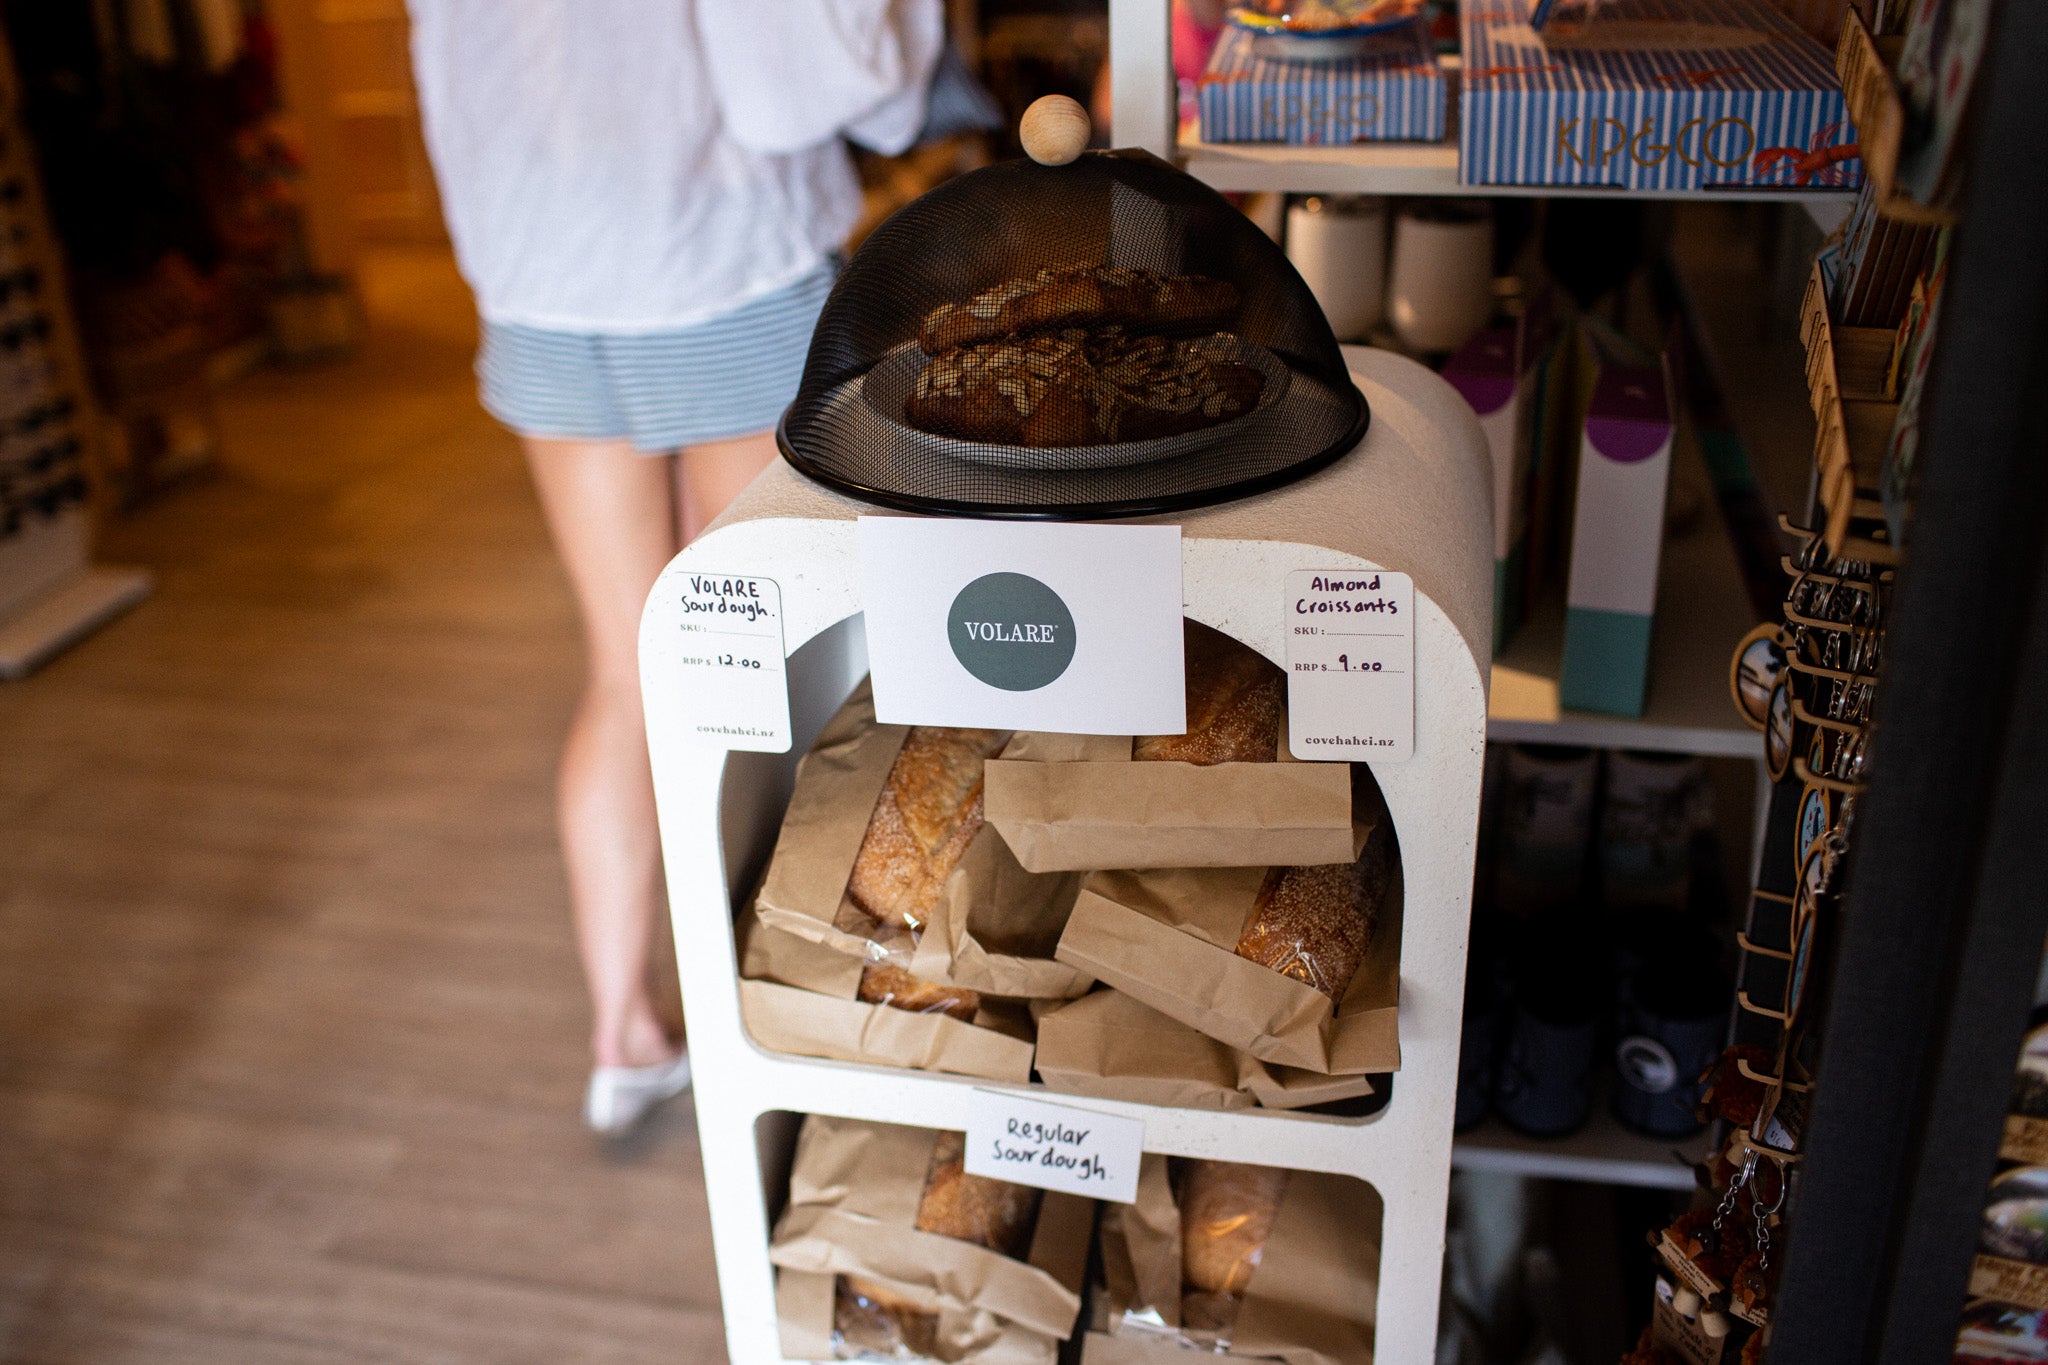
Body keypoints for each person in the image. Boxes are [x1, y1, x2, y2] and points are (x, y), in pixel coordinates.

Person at [407, 1, 942, 1132]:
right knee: (768, 663)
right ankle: (791, 1000)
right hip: (716, 259)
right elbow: (792, 83)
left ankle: (622, 1034)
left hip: (536, 287)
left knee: (625, 665)